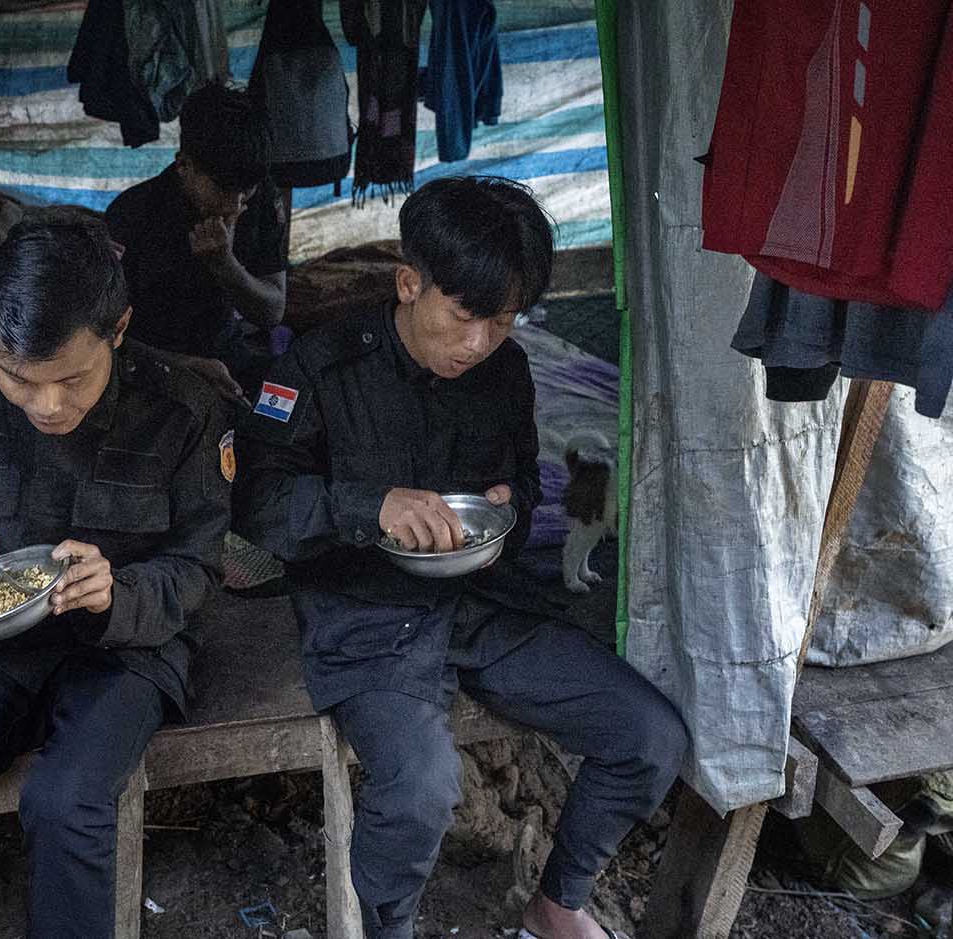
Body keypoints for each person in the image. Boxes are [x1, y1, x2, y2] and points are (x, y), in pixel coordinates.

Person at [232, 176, 688, 939]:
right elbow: (257, 505)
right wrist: (368, 505)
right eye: (466, 315)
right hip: (367, 614)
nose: (479, 342)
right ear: (410, 283)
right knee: (421, 788)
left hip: (482, 602)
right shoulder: (320, 368)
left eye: (504, 320)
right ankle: (390, 930)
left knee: (651, 737)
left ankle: (557, 900)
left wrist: (508, 512)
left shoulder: (504, 370)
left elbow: (520, 494)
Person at [0, 208, 230, 939]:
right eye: (19, 378)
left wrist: (118, 594)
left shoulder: (182, 406)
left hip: (130, 647)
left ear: (117, 330)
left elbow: (199, 566)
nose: (47, 404)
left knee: (65, 799)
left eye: (73, 379)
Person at [104, 82, 288, 401]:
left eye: (248, 189)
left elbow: (272, 312)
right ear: (184, 166)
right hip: (146, 365)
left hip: (225, 352)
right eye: (223, 189)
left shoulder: (262, 199)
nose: (236, 203)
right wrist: (183, 366)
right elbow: (99, 337)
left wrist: (225, 265)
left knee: (291, 399)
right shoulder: (132, 215)